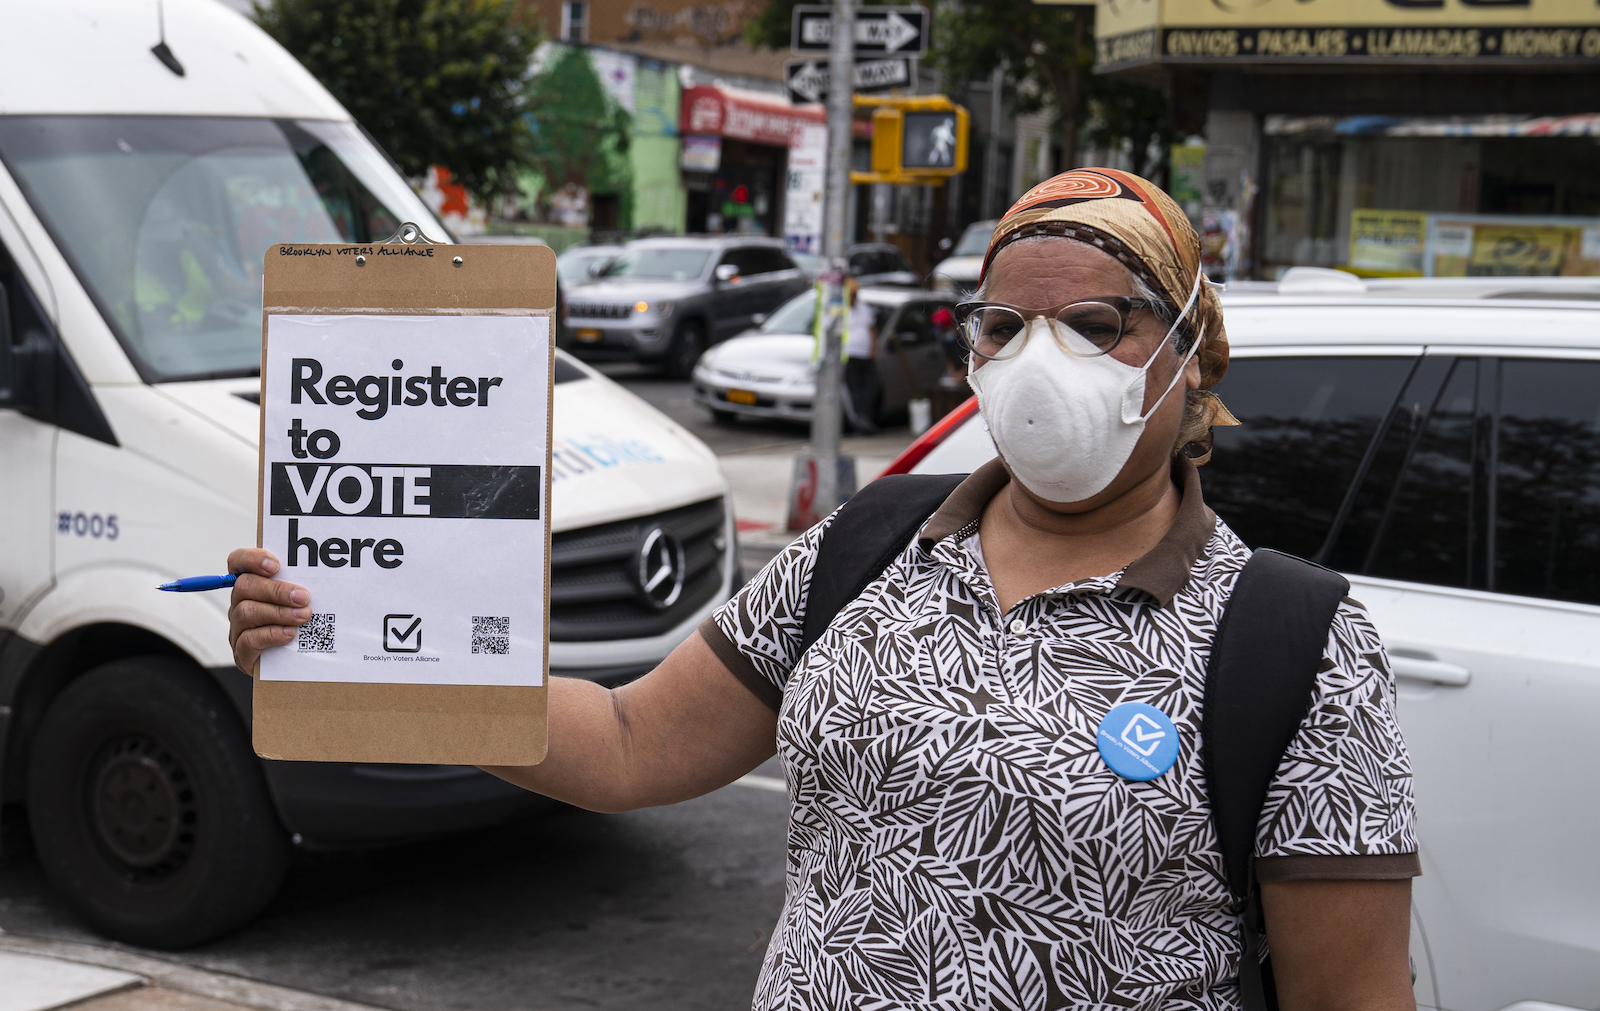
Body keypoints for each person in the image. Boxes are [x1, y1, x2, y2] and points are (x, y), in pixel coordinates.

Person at [228, 167, 1419, 1011]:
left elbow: (1351, 996)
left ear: (1188, 358)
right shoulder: (871, 543)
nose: (1038, 360)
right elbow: (634, 741)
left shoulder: (1290, 642)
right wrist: (364, 648)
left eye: (1095, 324)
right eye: (1003, 326)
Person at [840, 278, 880, 433]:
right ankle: (858, 420)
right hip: (850, 354)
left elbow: (872, 330)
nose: (854, 297)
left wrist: (873, 349)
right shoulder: (841, 309)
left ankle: (866, 416)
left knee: (871, 386)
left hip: (865, 355)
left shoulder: (863, 308)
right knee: (854, 387)